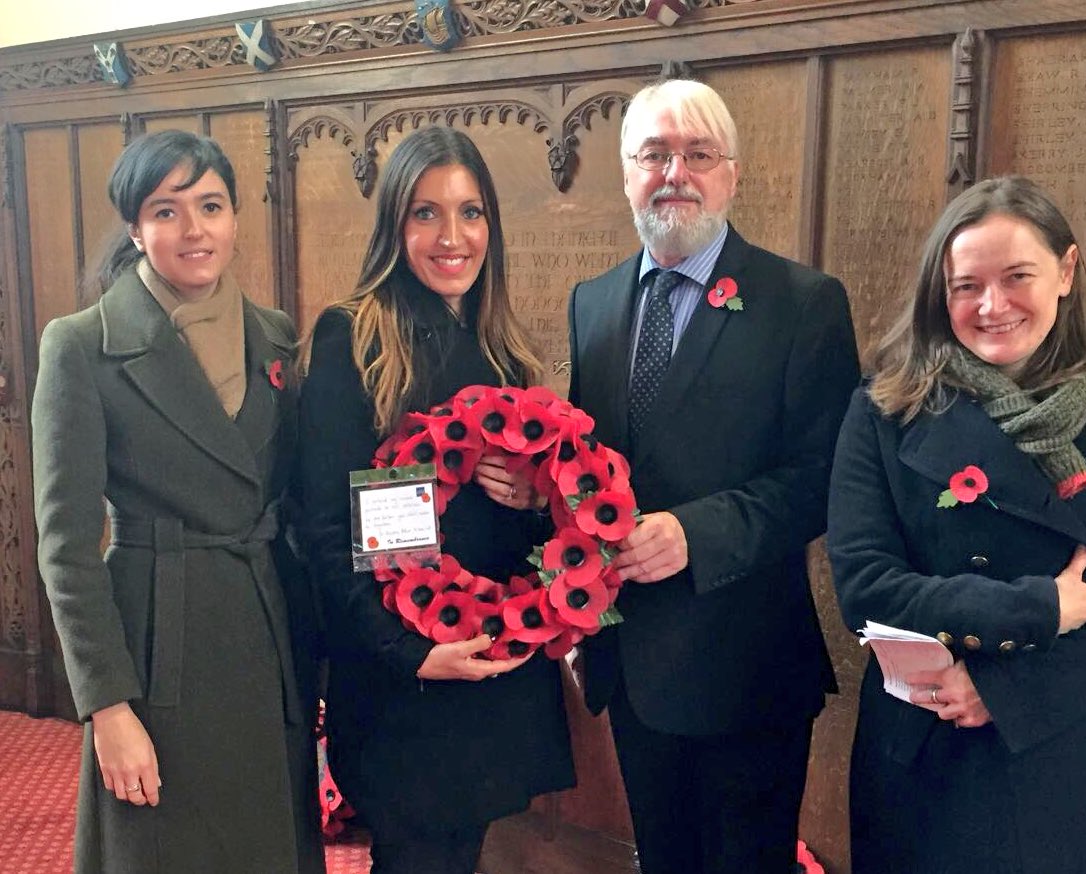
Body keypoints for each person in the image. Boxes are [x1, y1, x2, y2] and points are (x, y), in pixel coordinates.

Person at [827, 176, 1086, 874]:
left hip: (1078, 747)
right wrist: (1037, 608)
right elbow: (864, 585)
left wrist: (1009, 690)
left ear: (1067, 272)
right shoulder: (885, 410)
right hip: (928, 753)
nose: (992, 305)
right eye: (965, 286)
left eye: (1018, 277)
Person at [567, 77, 861, 874]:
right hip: (630, 666)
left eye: (698, 154)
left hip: (747, 670)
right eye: (655, 154)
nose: (675, 173)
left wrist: (695, 534)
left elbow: (823, 475)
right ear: (627, 172)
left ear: (731, 173)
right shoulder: (590, 305)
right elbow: (585, 467)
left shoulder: (802, 303)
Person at [31, 130, 325, 874]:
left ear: (235, 217)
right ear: (134, 226)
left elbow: (295, 505)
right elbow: (66, 550)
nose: (195, 230)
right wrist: (108, 707)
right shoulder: (81, 346)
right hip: (157, 648)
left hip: (264, 643)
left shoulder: (276, 337)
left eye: (211, 206)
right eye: (167, 211)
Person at [297, 125, 575, 874]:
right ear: (394, 223)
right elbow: (326, 529)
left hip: (488, 663)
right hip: (406, 678)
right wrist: (413, 654)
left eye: (471, 212)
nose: (452, 236)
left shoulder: (502, 348)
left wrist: (533, 499)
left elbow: (527, 524)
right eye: (426, 213)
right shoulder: (354, 338)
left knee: (464, 854)